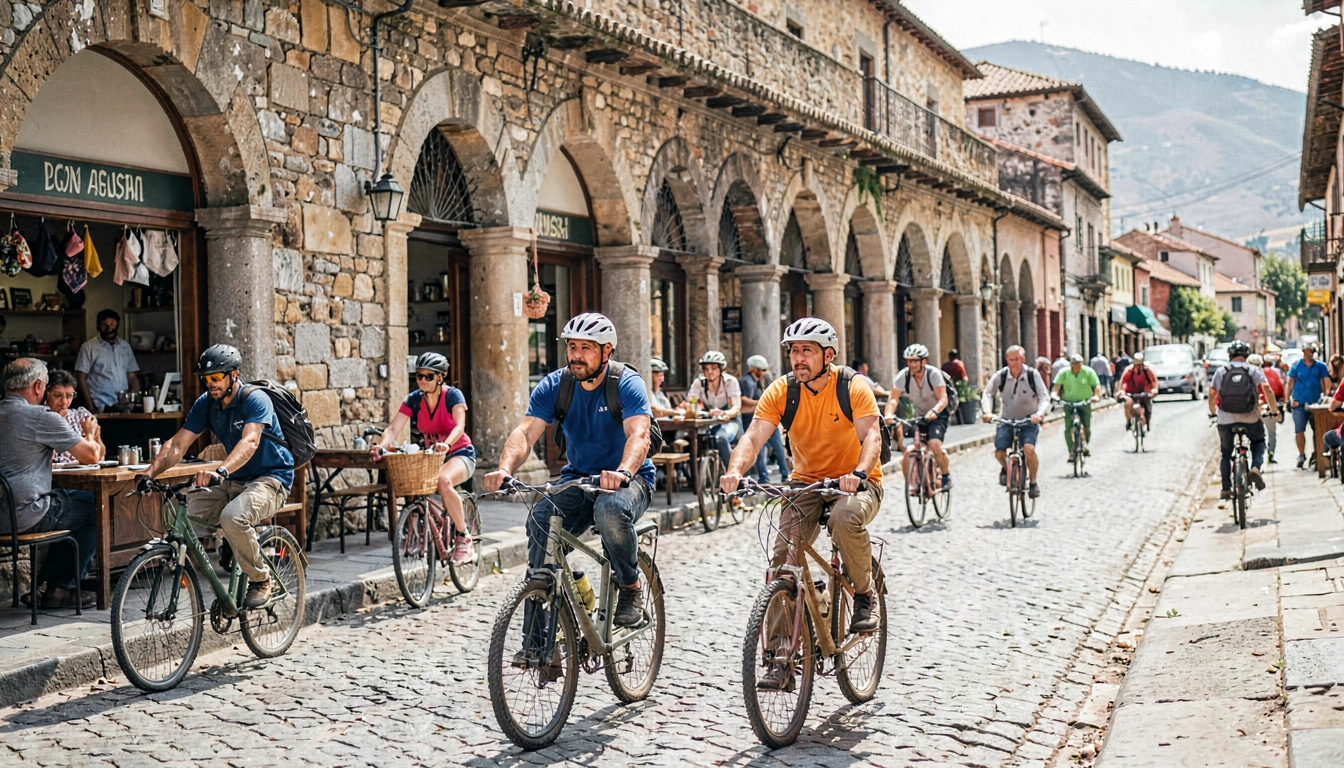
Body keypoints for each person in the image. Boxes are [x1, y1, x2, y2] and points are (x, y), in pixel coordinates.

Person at [720, 317, 884, 689]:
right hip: (805, 483)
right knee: (783, 560)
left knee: (844, 519)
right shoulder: (783, 391)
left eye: (806, 350)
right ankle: (781, 658)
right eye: (793, 351)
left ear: (828, 355)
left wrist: (858, 473)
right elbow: (753, 436)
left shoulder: (853, 386)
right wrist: (734, 471)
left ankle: (863, 594)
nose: (798, 358)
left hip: (857, 482)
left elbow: (871, 436)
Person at [484, 312, 654, 628]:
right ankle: (539, 645)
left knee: (610, 510)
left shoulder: (626, 383)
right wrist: (504, 469)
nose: (576, 355)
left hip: (630, 480)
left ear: (607, 352)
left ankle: (629, 586)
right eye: (571, 346)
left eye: (586, 348)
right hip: (579, 478)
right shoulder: (556, 385)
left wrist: (623, 472)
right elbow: (525, 432)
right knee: (540, 522)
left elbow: (639, 434)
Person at [140, 345, 295, 609]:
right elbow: (178, 445)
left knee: (232, 517)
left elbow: (250, 441)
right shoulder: (207, 404)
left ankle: (260, 578)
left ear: (234, 375)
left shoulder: (255, 400)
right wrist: (150, 472)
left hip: (271, 478)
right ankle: (189, 565)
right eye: (206, 379)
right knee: (173, 510)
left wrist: (220, 470)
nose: (210, 384)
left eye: (216, 378)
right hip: (233, 480)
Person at [0, 359, 100, 608]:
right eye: (45, 387)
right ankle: (59, 588)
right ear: (37, 387)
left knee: (70, 502)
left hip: (3, 512)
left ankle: (44, 586)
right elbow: (90, 455)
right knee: (97, 509)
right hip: (23, 515)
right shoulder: (39, 416)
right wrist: (89, 434)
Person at [370, 352, 476, 566]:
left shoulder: (453, 396)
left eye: (428, 376)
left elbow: (459, 425)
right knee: (413, 487)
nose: (423, 381)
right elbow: (393, 428)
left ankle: (464, 536)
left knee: (443, 481)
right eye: (419, 376)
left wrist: (447, 443)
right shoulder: (414, 400)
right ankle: (419, 530)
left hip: (460, 453)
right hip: (431, 458)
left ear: (440, 377)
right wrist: (380, 447)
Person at [1209, 341, 1279, 500]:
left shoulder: (1221, 371)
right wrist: (1274, 411)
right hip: (1250, 416)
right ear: (1246, 355)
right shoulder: (1253, 369)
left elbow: (1212, 393)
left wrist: (1214, 412)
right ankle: (1255, 468)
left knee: (1226, 453)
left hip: (1226, 418)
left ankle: (1226, 489)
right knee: (1259, 441)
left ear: (1229, 356)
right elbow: (1267, 389)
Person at [980, 345, 1049, 499]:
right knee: (999, 452)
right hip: (1007, 419)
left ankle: (1033, 482)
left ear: (1023, 359)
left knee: (1028, 449)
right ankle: (1007, 469)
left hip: (1028, 420)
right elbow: (988, 393)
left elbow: (1044, 396)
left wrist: (1039, 414)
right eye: (1012, 359)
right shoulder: (1001, 375)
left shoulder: (1032, 374)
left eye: (1018, 359)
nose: (1016, 362)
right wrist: (987, 412)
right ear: (1007, 360)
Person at [885, 343, 953, 490]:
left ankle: (946, 475)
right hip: (919, 416)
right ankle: (912, 483)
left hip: (937, 414)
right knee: (910, 450)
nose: (912, 364)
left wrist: (935, 411)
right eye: (909, 361)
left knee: (934, 444)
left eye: (915, 360)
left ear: (923, 361)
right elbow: (893, 398)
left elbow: (943, 398)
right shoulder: (904, 376)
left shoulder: (933, 374)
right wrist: (889, 414)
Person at [75, 309, 141, 413]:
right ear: (98, 326)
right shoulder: (89, 347)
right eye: (105, 325)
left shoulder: (125, 346)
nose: (109, 328)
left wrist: (133, 400)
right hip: (100, 406)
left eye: (112, 324)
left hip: (123, 407)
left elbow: (132, 377)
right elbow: (80, 378)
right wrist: (91, 406)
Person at [684, 351, 742, 469]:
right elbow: (693, 402)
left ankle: (732, 473)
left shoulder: (730, 382)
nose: (709, 372)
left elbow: (736, 407)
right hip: (709, 421)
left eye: (714, 368)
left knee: (721, 438)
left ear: (721, 369)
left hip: (731, 421)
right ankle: (693, 477)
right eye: (706, 369)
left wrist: (724, 413)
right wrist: (698, 409)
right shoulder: (699, 383)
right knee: (689, 437)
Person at [740, 355, 789, 483]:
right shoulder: (746, 381)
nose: (763, 372)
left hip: (765, 418)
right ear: (754, 369)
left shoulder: (757, 381)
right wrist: (760, 402)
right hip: (753, 419)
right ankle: (764, 476)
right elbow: (743, 399)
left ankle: (785, 474)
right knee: (760, 449)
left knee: (777, 447)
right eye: (760, 370)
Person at [1285, 343, 1333, 469]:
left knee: (1318, 430)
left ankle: (1317, 454)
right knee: (1299, 430)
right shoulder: (1296, 366)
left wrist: (1326, 397)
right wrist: (1288, 399)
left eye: (1311, 351)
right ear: (1303, 352)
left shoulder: (1320, 366)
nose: (1308, 353)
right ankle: (1301, 455)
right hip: (1299, 402)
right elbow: (1290, 383)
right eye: (1306, 351)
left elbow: (1326, 382)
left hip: (1315, 403)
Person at [44, 369, 104, 465]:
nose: (64, 402)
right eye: (57, 395)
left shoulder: (81, 416)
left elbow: (99, 456)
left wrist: (94, 436)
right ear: (46, 394)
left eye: (69, 396)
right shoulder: (40, 418)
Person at [1052, 354, 1102, 456]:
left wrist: (1096, 396)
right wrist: (1055, 396)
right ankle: (1071, 451)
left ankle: (1085, 445)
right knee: (1068, 428)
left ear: (1082, 363)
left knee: (1086, 426)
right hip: (1068, 403)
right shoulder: (1064, 373)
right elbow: (1056, 388)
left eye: (1078, 363)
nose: (1076, 366)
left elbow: (1096, 385)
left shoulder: (1088, 372)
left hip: (1084, 402)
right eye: (1074, 363)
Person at [1256, 353, 1285, 463]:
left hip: (1257, 406)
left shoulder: (1254, 373)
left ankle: (1260, 457)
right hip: (1271, 405)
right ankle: (1271, 453)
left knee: (1257, 434)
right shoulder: (1275, 372)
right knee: (1271, 432)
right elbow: (1280, 388)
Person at [1119, 352, 1158, 431]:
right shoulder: (1129, 371)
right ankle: (1128, 420)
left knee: (1148, 406)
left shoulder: (1148, 371)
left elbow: (1153, 381)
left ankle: (1147, 420)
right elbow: (1125, 381)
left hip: (1145, 392)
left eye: (1140, 365)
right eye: (1137, 365)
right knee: (1128, 404)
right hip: (1132, 392)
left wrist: (1154, 390)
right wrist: (1123, 391)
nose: (1139, 367)